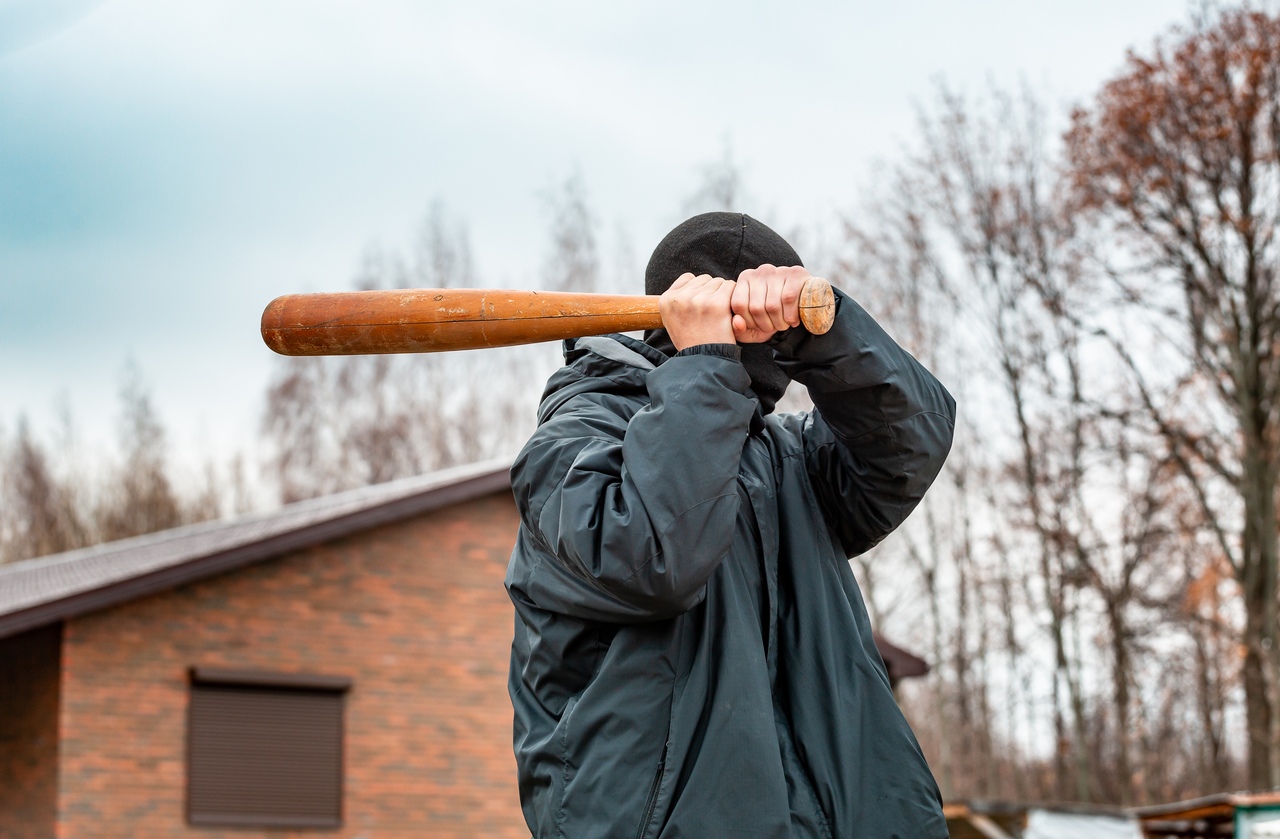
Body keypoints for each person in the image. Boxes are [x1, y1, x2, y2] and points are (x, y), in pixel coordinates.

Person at [505, 212, 955, 838]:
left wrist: (825, 333)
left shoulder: (791, 462)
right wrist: (706, 361)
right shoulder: (572, 446)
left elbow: (912, 438)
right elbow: (657, 558)